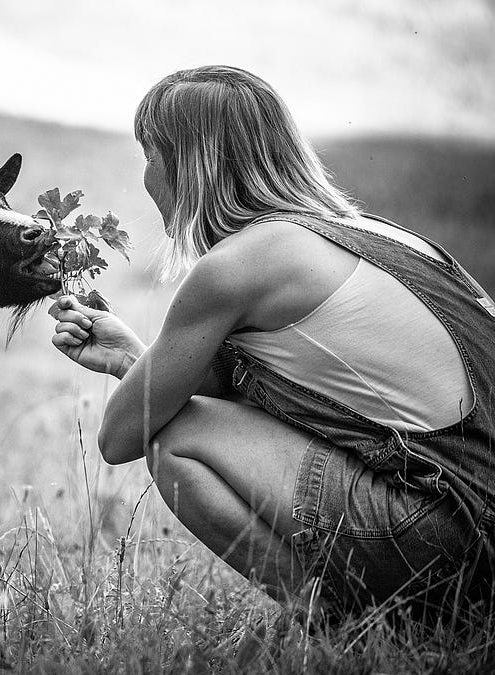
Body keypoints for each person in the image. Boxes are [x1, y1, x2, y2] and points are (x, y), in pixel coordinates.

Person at [50, 65, 495, 622]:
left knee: (176, 436)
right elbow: (258, 407)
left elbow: (121, 438)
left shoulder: (238, 265)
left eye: (149, 154)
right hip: (476, 521)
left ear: (188, 163)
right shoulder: (376, 234)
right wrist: (127, 359)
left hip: (445, 533)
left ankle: (332, 621)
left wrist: (137, 378)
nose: (145, 176)